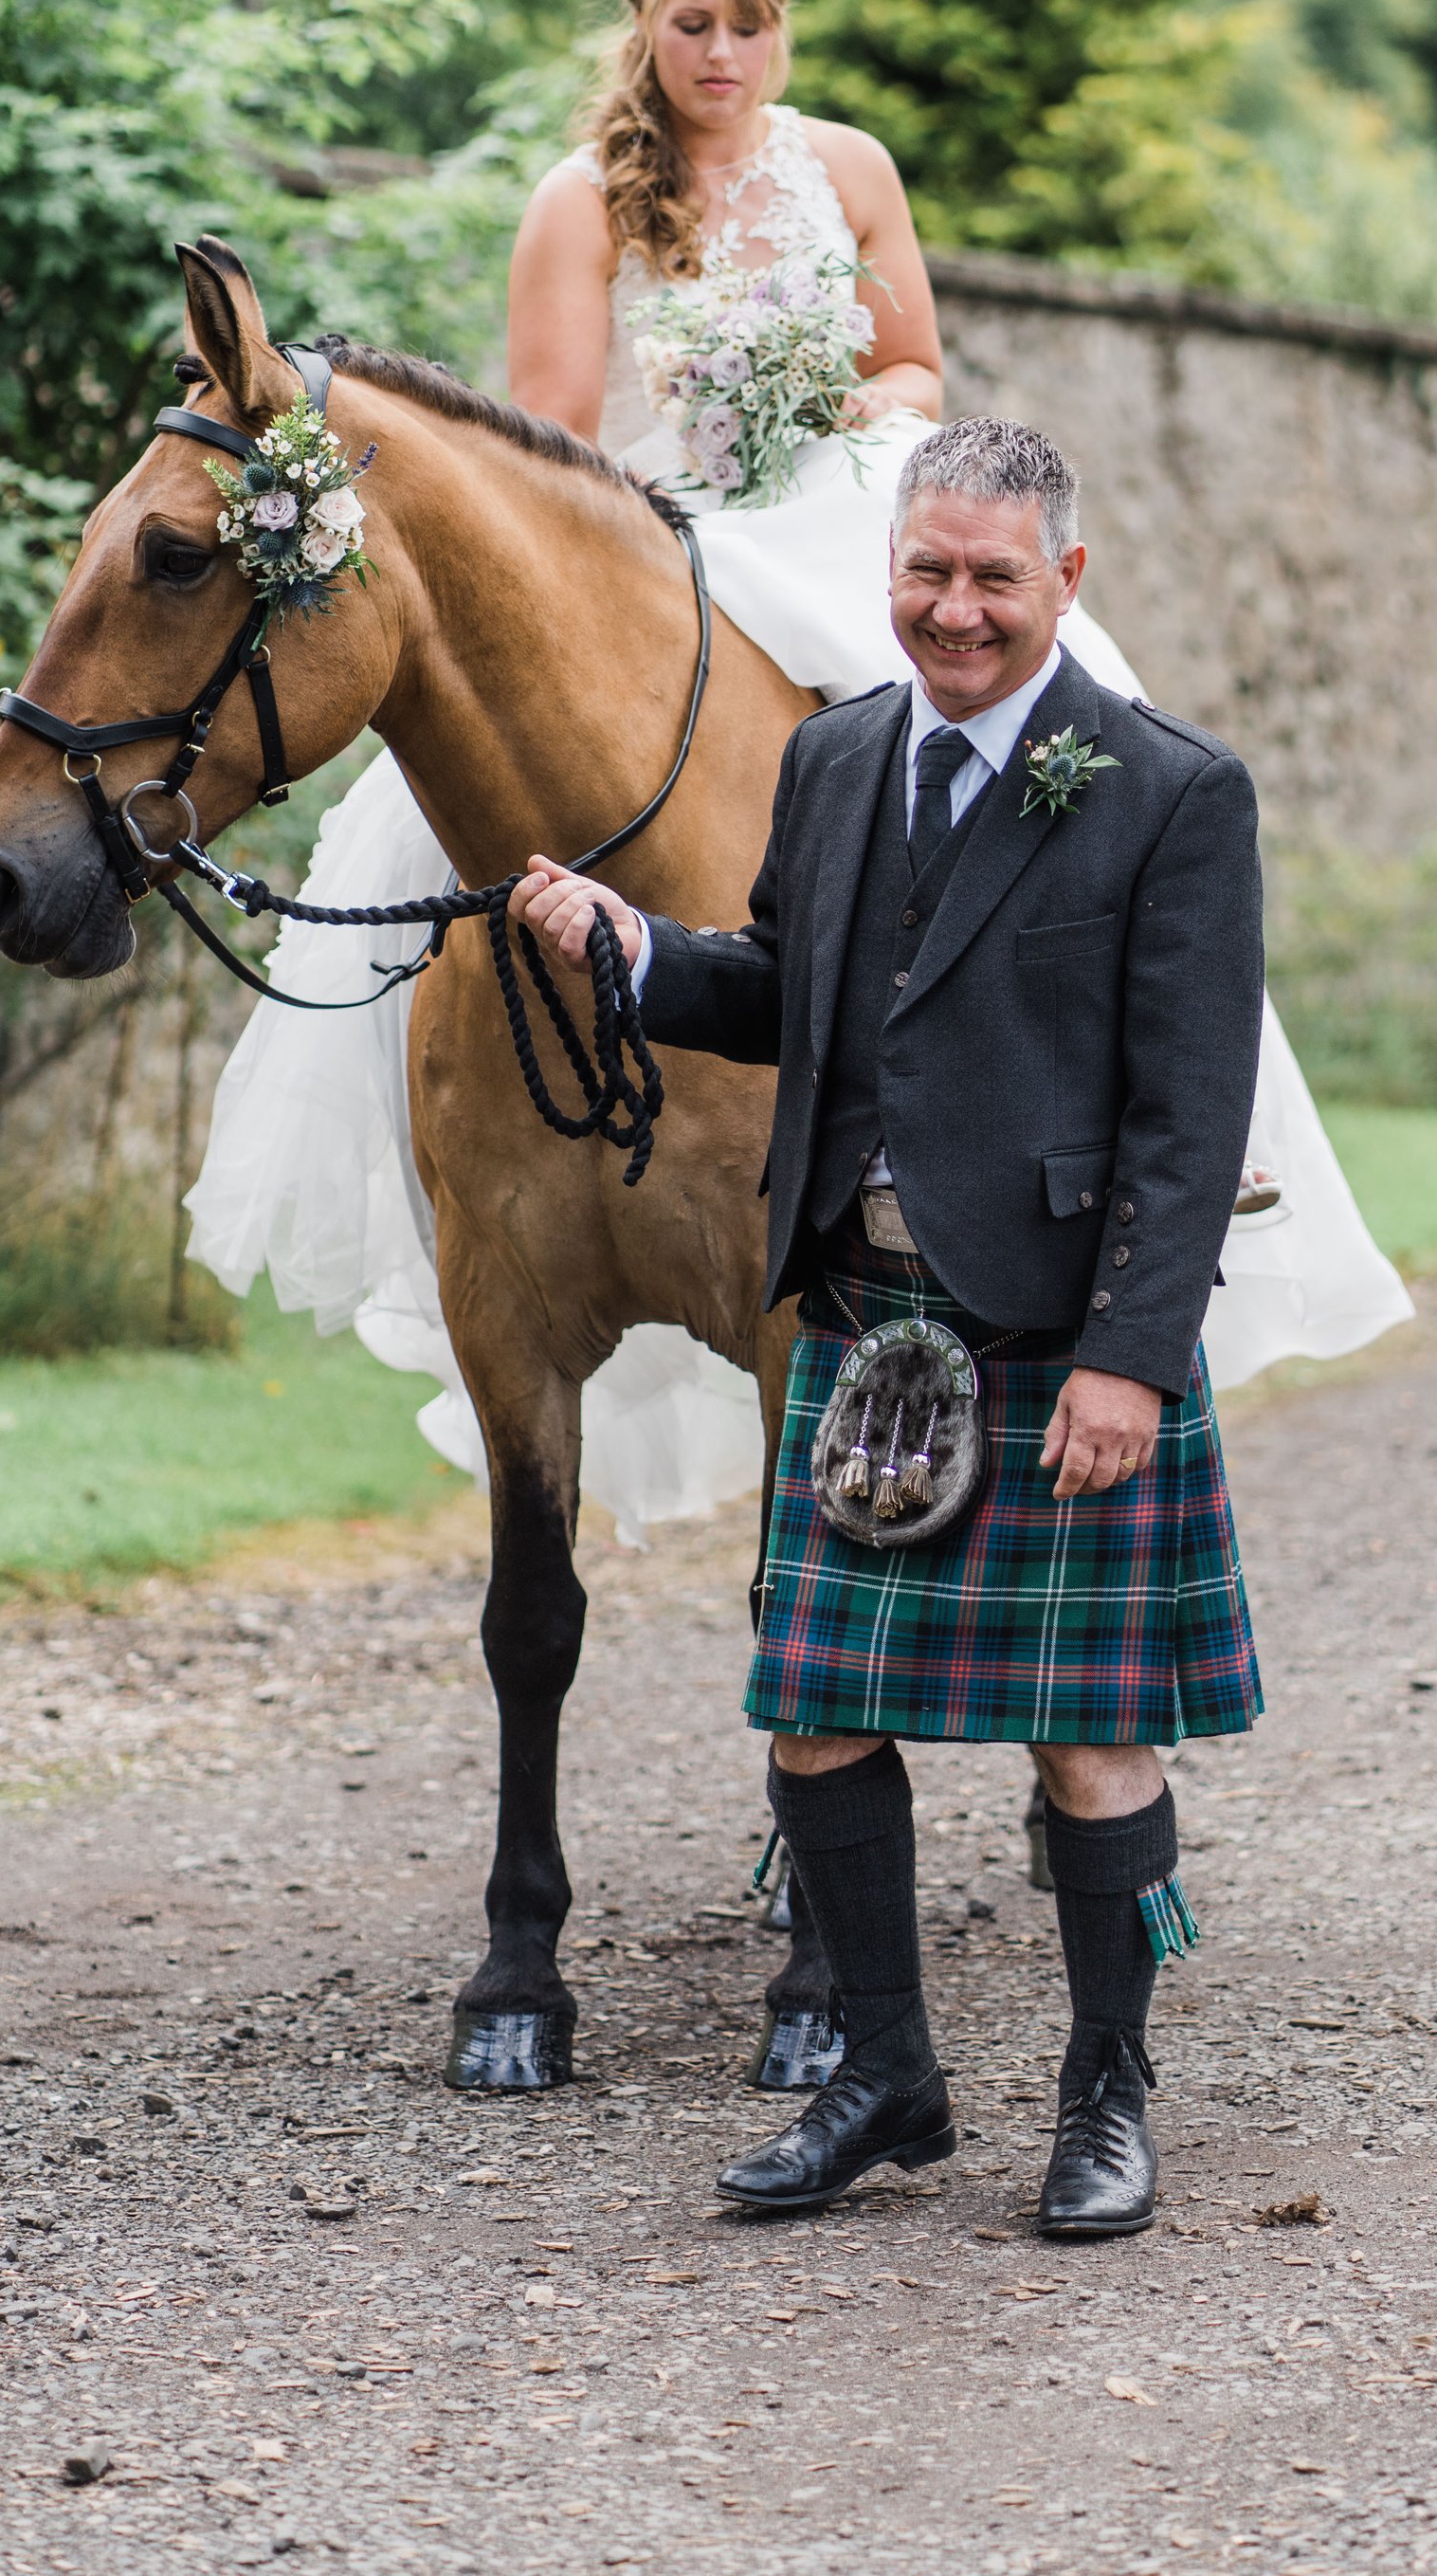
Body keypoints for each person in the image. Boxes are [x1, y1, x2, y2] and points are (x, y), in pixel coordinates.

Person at [185, 0, 1410, 1532]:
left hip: (832, 498)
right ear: (645, 24)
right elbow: (545, 447)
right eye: (692, 25)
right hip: (652, 537)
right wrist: (690, 473)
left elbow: (915, 368)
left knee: (1073, 694)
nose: (724, 56)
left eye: (751, 23)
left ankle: (1187, 1107)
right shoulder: (578, 203)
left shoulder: (848, 167)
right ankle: (498, 1145)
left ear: (784, 26)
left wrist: (824, 408)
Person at [515, 416, 1259, 2233]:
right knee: (819, 1712)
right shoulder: (839, 756)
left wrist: (1129, 1359)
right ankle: (887, 2070)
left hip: (1052, 1332)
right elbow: (795, 991)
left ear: (1063, 582)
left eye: (996, 576)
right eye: (929, 570)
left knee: (1088, 1731)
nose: (957, 608)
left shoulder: (1165, 788)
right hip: (867, 1323)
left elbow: (1190, 1106)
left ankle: (1105, 2093)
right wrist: (638, 949)